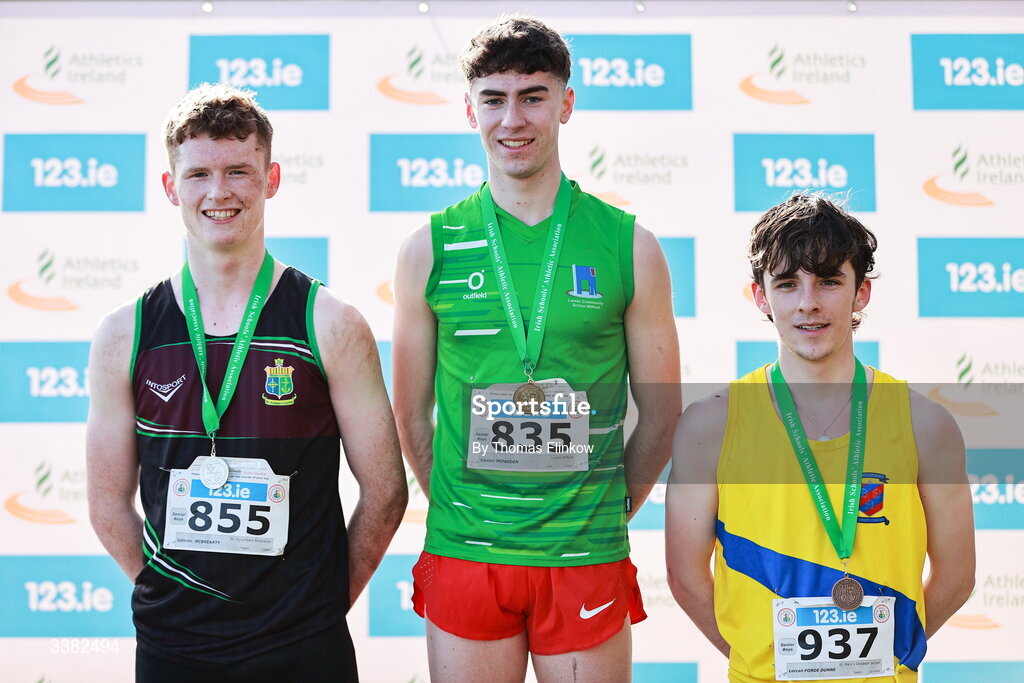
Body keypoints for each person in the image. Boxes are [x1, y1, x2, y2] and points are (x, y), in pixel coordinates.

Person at [86, 83, 407, 682]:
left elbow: (386, 492)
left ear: (272, 178)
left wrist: (316, 608)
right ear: (169, 186)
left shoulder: (329, 323)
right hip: (173, 646)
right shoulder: (123, 334)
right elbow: (107, 506)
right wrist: (177, 597)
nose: (219, 192)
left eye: (239, 171)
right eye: (199, 173)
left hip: (303, 646)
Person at [392, 15, 680, 682]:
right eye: (493, 99)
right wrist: (467, 507)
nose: (512, 119)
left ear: (566, 104)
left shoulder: (627, 244)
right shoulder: (428, 249)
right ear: (471, 110)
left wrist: (602, 505)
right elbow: (409, 413)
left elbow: (662, 414)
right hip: (468, 551)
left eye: (533, 96)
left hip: (583, 552)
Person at [665, 194, 976, 682]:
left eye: (829, 281)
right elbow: (685, 579)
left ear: (861, 293)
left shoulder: (925, 424)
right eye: (787, 284)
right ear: (761, 296)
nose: (808, 302)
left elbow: (957, 578)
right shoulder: (711, 425)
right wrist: (760, 658)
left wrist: (883, 655)